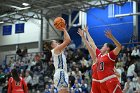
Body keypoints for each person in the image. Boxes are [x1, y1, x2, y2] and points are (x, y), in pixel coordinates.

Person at [83, 27, 122, 93]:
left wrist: (112, 37)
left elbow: (119, 46)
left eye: (103, 46)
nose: (101, 47)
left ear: (107, 48)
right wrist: (87, 32)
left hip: (111, 80)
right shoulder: (99, 55)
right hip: (102, 83)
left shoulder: (111, 55)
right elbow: (92, 43)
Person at [78, 28, 101, 93]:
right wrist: (85, 35)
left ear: (108, 49)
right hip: (96, 83)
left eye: (104, 46)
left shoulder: (108, 58)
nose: (101, 48)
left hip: (103, 82)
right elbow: (91, 45)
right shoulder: (97, 57)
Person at [50, 27, 71, 93]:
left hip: (61, 72)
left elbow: (66, 40)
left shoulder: (59, 50)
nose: (58, 43)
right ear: (52, 45)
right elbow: (68, 40)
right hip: (61, 72)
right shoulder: (56, 49)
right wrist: (64, 29)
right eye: (56, 42)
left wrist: (64, 30)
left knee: (66, 91)